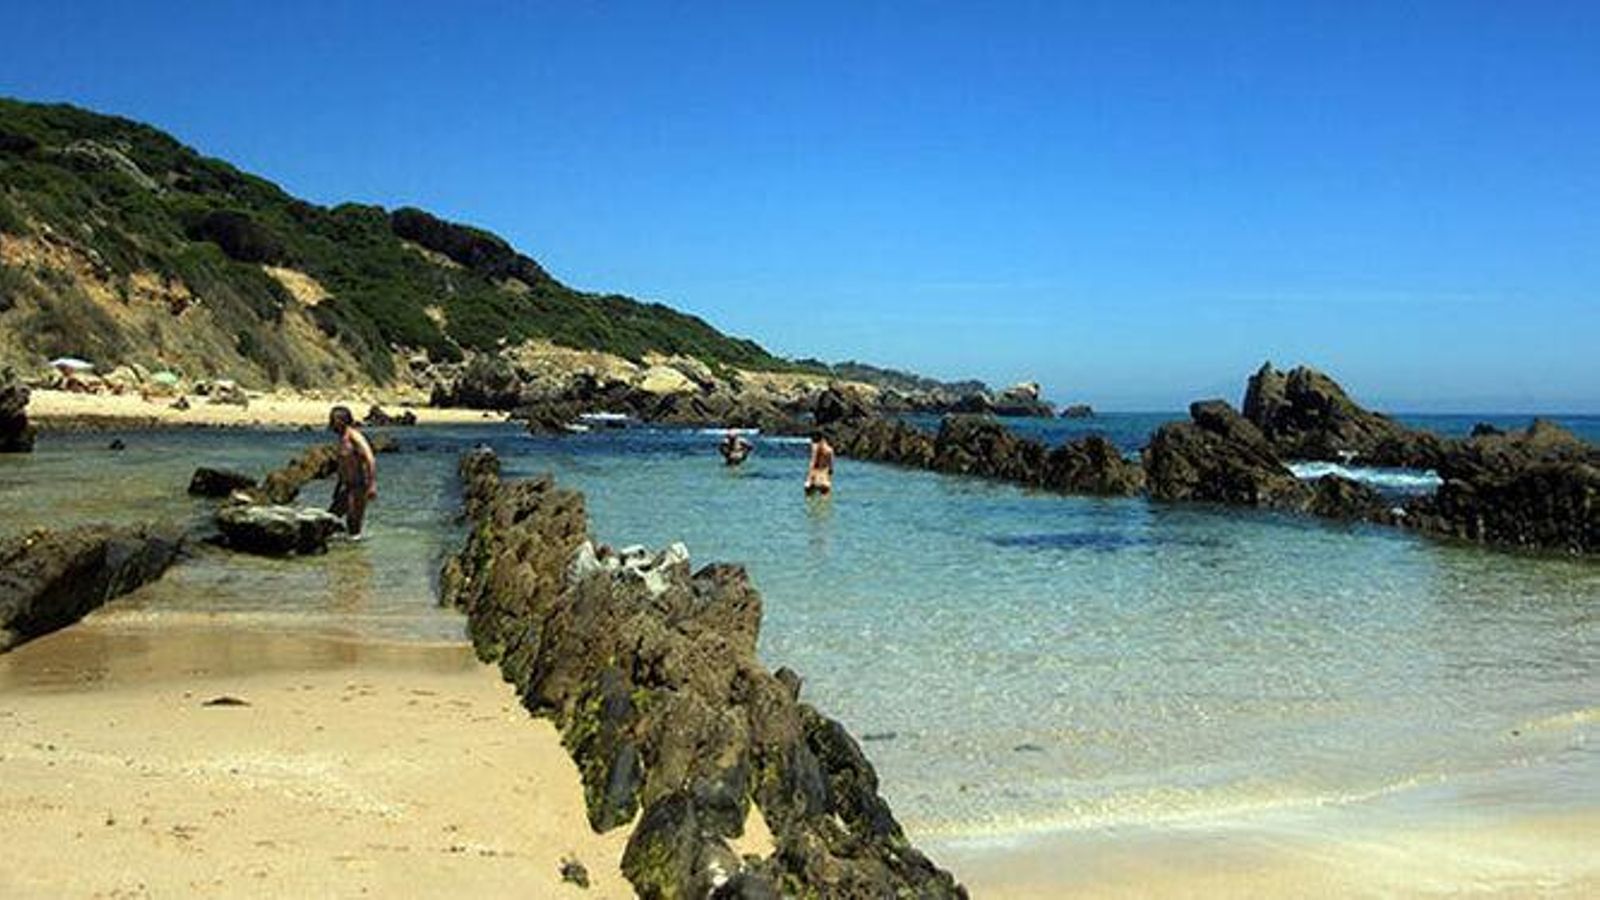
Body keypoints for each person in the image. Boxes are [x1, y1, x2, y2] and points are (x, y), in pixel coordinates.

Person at [328, 405, 377, 539]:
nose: (332, 422)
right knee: (331, 517)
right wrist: (338, 486)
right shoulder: (341, 438)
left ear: (344, 420)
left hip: (359, 485)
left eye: (335, 419)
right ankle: (342, 549)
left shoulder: (354, 436)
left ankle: (355, 556)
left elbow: (370, 459)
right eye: (332, 419)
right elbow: (343, 465)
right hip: (346, 485)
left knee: (353, 523)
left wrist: (372, 485)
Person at [804, 431, 834, 495]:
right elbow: (831, 466)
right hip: (824, 476)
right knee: (825, 500)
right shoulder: (830, 450)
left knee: (809, 498)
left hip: (815, 474)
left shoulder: (815, 447)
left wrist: (809, 476)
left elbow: (813, 461)